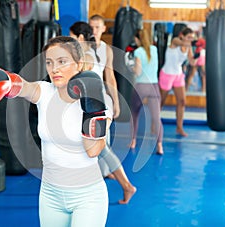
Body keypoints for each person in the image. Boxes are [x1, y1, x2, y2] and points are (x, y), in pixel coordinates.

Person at [0, 36, 112, 226]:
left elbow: (93, 150)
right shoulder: (45, 91)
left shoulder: (100, 100)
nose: (54, 69)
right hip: (51, 195)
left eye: (62, 62)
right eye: (49, 63)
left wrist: (92, 107)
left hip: (87, 196)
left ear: (79, 64)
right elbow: (23, 86)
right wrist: (4, 79)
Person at [69, 21, 136, 204]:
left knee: (101, 148)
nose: (70, 40)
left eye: (72, 37)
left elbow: (93, 76)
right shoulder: (89, 52)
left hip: (94, 103)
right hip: (97, 102)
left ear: (80, 38)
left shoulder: (86, 54)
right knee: (98, 146)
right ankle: (107, 174)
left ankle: (127, 185)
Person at [127, 29, 164, 155]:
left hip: (141, 86)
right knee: (156, 117)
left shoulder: (138, 52)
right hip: (153, 86)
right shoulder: (154, 49)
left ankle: (133, 141)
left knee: (134, 114)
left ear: (137, 39)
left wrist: (130, 67)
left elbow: (137, 72)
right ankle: (159, 145)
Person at [159, 27, 197, 137]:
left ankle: (179, 128)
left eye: (192, 38)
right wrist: (192, 43)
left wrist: (197, 54)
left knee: (182, 102)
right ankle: (154, 125)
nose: (190, 39)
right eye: (188, 37)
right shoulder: (175, 41)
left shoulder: (188, 47)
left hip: (178, 75)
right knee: (161, 102)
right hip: (167, 74)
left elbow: (192, 62)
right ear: (182, 36)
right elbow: (180, 43)